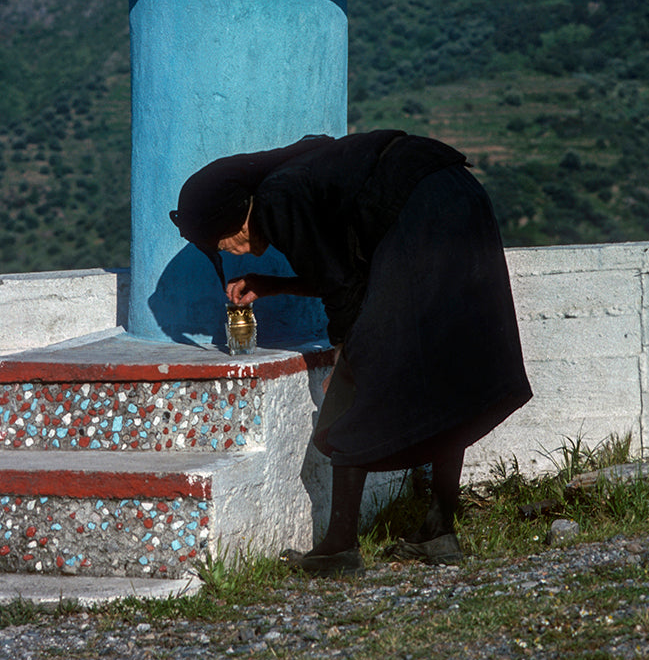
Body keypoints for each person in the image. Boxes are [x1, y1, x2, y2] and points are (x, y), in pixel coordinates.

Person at [170, 130, 532, 575]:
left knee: (356, 381)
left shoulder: (277, 200)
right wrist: (272, 285)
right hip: (456, 195)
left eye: (223, 242)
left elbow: (344, 290)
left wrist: (346, 350)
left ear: (234, 220)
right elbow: (344, 269)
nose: (229, 250)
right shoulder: (297, 178)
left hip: (420, 210)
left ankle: (339, 548)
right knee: (445, 368)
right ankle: (440, 529)